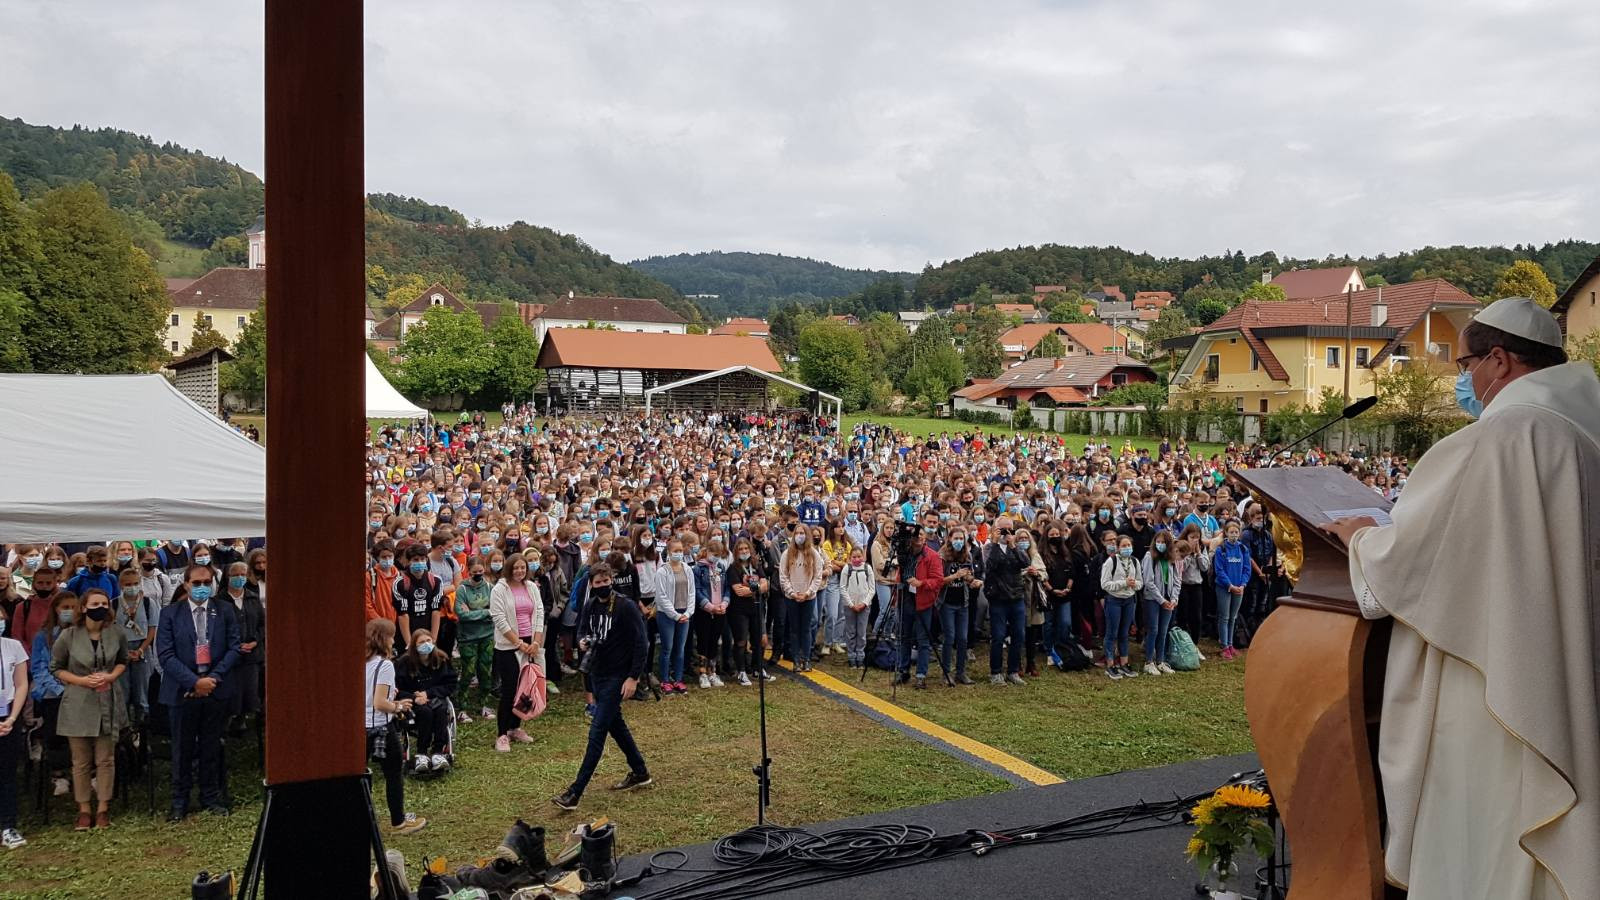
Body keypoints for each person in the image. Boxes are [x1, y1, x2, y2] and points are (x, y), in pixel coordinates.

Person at [1323, 298, 1600, 899]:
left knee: (1490, 826)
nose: (1463, 378)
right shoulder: (1584, 429)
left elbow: (1417, 558)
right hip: (1571, 664)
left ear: (1498, 361)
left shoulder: (1503, 435)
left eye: (1466, 361)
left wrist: (1361, 538)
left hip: (1499, 681)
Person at [552, 564, 651, 811]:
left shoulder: (625, 606)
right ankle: (640, 771)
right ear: (591, 585)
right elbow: (581, 632)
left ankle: (575, 792)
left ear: (612, 580)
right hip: (597, 673)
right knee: (615, 726)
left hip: (618, 676)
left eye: (606, 580)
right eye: (597, 582)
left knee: (597, 732)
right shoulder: (590, 605)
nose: (603, 585)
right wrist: (583, 642)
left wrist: (633, 677)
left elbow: (642, 643)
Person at [156, 564, 241, 821]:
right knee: (181, 749)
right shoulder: (170, 614)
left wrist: (212, 678)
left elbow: (234, 647)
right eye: (197, 582)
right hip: (182, 692)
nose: (202, 587)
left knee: (211, 746)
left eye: (207, 582)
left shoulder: (224, 610)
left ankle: (210, 796)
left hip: (215, 689)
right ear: (186, 584)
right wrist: (194, 682)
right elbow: (166, 654)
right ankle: (179, 802)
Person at [51, 588, 128, 830]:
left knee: (106, 759)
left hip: (108, 699)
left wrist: (110, 676)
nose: (100, 607)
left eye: (104, 603)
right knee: (81, 761)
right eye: (95, 603)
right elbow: (56, 667)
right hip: (78, 701)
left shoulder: (116, 633)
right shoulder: (69, 635)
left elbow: (123, 661)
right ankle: (84, 809)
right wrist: (81, 681)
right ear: (83, 607)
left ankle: (104, 807)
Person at [363, 619, 425, 835]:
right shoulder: (385, 665)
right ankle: (398, 822)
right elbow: (380, 703)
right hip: (380, 727)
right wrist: (397, 705)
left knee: (362, 778)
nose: (393, 640)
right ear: (384, 639)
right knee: (393, 774)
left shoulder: (361, 662)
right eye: (391, 636)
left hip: (360, 728)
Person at [488, 555, 542, 752]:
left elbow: (539, 613)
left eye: (523, 568)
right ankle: (502, 734)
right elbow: (499, 619)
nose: (519, 571)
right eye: (516, 568)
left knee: (525, 688)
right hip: (508, 646)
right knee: (510, 689)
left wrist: (536, 641)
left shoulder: (531, 587)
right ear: (509, 568)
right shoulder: (499, 590)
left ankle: (516, 727)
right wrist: (517, 643)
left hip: (530, 642)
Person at [396, 627, 458, 774]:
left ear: (433, 641)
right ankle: (421, 753)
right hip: (413, 702)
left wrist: (428, 693)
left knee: (441, 710)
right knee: (425, 712)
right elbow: (396, 689)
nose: (426, 644)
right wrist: (415, 698)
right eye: (421, 642)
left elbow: (450, 684)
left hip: (435, 698)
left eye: (428, 640)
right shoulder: (404, 663)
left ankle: (438, 752)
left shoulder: (441, 659)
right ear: (414, 645)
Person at [983, 517, 1029, 685]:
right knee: (998, 635)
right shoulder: (989, 548)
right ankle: (995, 672)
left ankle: (1013, 670)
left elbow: (1025, 563)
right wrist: (995, 544)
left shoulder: (1014, 548)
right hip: (998, 598)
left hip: (1016, 596)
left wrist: (1013, 546)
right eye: (1003, 530)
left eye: (1009, 529)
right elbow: (989, 567)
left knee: (1018, 634)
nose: (1006, 533)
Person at [222, 561, 265, 731]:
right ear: (228, 577)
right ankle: (227, 724)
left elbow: (262, 624)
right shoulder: (220, 601)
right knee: (232, 694)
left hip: (252, 656)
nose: (240, 578)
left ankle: (243, 720)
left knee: (250, 692)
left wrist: (255, 641)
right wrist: (234, 646)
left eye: (243, 574)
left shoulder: (253, 599)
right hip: (230, 657)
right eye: (236, 575)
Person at [0, 601, 29, 849]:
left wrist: (11, 718)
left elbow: (21, 684)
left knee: (7, 773)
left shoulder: (13, 646)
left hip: (8, 715)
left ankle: (8, 825)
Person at [937, 527, 981, 685]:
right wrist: (955, 576)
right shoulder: (941, 556)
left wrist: (972, 580)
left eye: (961, 539)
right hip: (946, 602)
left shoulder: (967, 555)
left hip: (963, 602)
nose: (958, 542)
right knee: (949, 637)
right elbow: (938, 580)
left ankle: (961, 672)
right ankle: (946, 672)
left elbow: (969, 575)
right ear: (949, 539)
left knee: (962, 638)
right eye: (955, 538)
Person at [903, 523, 944, 689]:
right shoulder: (906, 554)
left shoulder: (932, 556)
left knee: (923, 640)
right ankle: (903, 670)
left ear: (925, 537)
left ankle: (921, 674)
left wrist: (921, 583)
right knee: (904, 637)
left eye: (921, 535)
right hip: (906, 599)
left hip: (924, 601)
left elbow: (938, 580)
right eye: (916, 535)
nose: (918, 538)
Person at [777, 525, 824, 673]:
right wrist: (792, 593)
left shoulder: (814, 554)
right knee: (794, 629)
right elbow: (783, 576)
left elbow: (818, 576)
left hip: (808, 597)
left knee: (806, 628)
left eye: (802, 533)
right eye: (797, 533)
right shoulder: (787, 553)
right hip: (792, 597)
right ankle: (796, 659)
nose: (799, 536)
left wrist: (808, 593)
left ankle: (807, 659)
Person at [453, 557, 495, 722]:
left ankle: (484, 704)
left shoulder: (490, 588)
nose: (478, 574)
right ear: (469, 571)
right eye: (474, 572)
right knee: (468, 672)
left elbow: (496, 610)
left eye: (480, 571)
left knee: (485, 672)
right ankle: (462, 707)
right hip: (467, 638)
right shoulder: (462, 589)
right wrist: (485, 612)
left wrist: (473, 612)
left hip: (487, 636)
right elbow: (462, 614)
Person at [725, 538, 770, 686]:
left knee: (759, 640)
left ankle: (758, 668)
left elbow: (766, 584)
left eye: (746, 549)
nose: (744, 552)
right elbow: (739, 591)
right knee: (741, 641)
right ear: (736, 552)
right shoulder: (733, 569)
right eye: (741, 549)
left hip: (756, 607)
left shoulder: (756, 565)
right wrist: (758, 588)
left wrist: (752, 588)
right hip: (739, 610)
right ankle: (742, 671)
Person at [653, 539, 695, 692]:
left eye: (680, 550)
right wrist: (675, 615)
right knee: (667, 648)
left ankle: (678, 679)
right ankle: (664, 680)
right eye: (675, 551)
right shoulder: (662, 571)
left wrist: (688, 612)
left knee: (680, 648)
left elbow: (692, 592)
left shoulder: (687, 569)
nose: (678, 553)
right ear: (669, 552)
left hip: (685, 613)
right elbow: (661, 597)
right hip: (667, 615)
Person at [114, 567, 157, 720]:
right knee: (123, 692)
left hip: (142, 649)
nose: (132, 587)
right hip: (121, 650)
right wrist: (123, 651)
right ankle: (124, 729)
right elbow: (112, 631)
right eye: (128, 584)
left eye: (135, 583)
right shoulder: (114, 604)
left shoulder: (147, 603)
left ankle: (142, 728)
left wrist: (140, 650)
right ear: (121, 585)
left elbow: (152, 629)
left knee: (142, 694)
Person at [1099, 535, 1142, 680]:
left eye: (1129, 545)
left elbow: (1140, 582)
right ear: (1117, 548)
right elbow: (1105, 584)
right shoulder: (1111, 561)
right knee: (1112, 632)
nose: (1126, 548)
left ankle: (1124, 662)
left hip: (1129, 600)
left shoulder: (1135, 561)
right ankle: (1110, 664)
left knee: (1124, 633)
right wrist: (1123, 583)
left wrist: (1133, 584)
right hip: (1114, 600)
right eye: (1123, 546)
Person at [1139, 535, 1180, 676]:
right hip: (1153, 599)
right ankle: (1149, 661)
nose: (1160, 544)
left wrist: (1174, 599)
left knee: (1163, 631)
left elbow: (1176, 580)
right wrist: (1161, 600)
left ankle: (1160, 661)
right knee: (1153, 630)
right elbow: (1148, 582)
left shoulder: (1172, 558)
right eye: (1158, 542)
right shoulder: (1149, 557)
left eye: (1163, 542)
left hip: (1168, 599)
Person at [1210, 522, 1249, 660]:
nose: (1234, 535)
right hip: (1224, 588)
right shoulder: (1221, 549)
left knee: (1233, 617)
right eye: (1231, 532)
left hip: (1239, 588)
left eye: (1236, 532)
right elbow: (1219, 571)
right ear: (1226, 533)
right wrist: (1230, 585)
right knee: (1224, 617)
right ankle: (1224, 645)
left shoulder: (1243, 549)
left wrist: (1243, 584)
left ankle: (1231, 644)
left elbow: (1246, 569)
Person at [837, 545, 875, 670]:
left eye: (859, 557)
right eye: (854, 557)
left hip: (864, 606)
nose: (857, 559)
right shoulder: (846, 569)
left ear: (863, 557)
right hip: (850, 606)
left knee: (862, 632)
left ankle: (860, 656)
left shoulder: (867, 568)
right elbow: (842, 588)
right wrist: (851, 604)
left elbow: (872, 589)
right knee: (851, 631)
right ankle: (851, 657)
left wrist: (864, 603)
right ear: (850, 557)